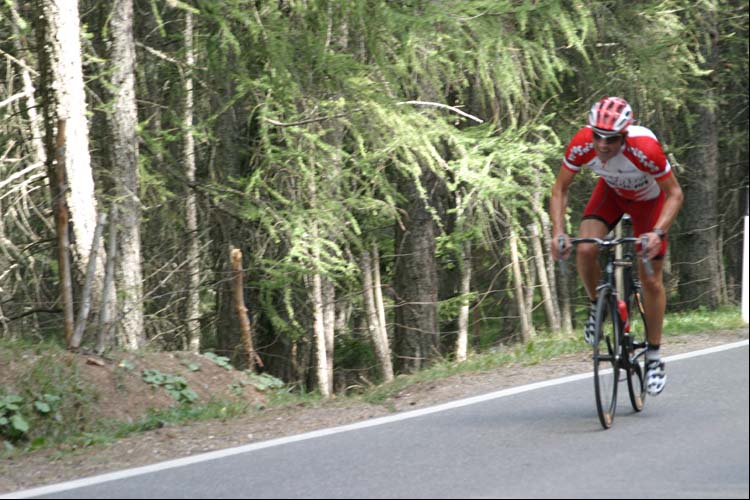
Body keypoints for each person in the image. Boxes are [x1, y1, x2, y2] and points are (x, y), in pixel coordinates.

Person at [549, 96, 684, 396]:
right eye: (598, 135)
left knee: (650, 277)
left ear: (624, 134)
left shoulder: (645, 149)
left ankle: (654, 357)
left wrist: (657, 232)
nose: (602, 144)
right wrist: (558, 231)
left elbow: (675, 194)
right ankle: (600, 306)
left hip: (650, 203)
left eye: (610, 138)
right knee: (585, 248)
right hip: (611, 194)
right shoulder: (583, 142)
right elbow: (560, 188)